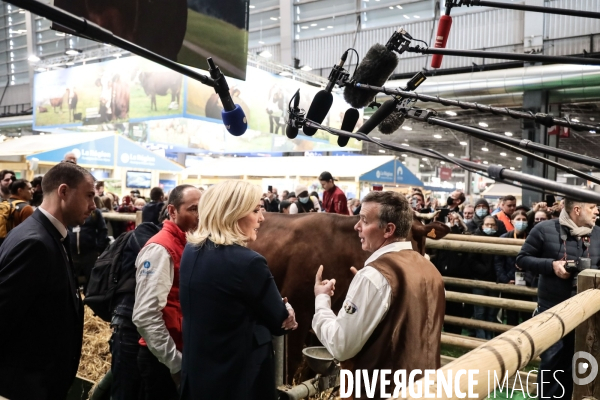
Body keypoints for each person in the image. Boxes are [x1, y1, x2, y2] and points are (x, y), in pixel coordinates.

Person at [312, 191, 444, 398]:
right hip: (425, 390)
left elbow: (341, 346)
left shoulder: (374, 276)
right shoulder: (429, 268)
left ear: (388, 229)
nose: (357, 226)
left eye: (364, 220)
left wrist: (322, 300)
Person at [179, 180, 297, 400]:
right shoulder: (249, 263)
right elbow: (279, 320)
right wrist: (286, 309)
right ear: (232, 214)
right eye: (255, 210)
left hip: (198, 376)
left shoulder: (191, 249)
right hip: (238, 381)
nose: (262, 218)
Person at [0, 162, 95, 399]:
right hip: (26, 386)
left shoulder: (48, 234)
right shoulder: (35, 242)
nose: (93, 205)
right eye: (89, 196)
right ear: (63, 192)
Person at [516, 198, 600, 400]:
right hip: (553, 309)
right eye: (593, 207)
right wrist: (552, 265)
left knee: (583, 360)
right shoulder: (544, 229)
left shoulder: (598, 234)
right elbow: (522, 259)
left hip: (587, 310)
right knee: (552, 361)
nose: (597, 211)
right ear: (578, 210)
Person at [132, 185, 202, 400]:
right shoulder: (161, 249)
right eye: (193, 209)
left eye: (203, 209)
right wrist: (176, 364)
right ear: (172, 211)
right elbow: (145, 315)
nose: (200, 216)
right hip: (163, 359)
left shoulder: (189, 243)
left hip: (180, 353)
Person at [494, 210, 534, 327]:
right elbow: (498, 262)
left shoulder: (532, 237)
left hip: (527, 282)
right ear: (512, 221)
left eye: (524, 220)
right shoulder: (504, 238)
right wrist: (505, 279)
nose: (521, 222)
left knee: (527, 315)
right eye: (518, 219)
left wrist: (529, 276)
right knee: (511, 314)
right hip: (510, 282)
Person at [468, 215, 502, 340]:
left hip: (495, 280)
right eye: (487, 224)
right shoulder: (476, 239)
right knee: (480, 311)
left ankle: (489, 338)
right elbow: (471, 260)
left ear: (497, 227)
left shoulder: (500, 239)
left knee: (492, 311)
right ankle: (481, 340)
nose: (490, 227)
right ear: (482, 226)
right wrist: (484, 271)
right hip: (479, 279)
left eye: (492, 225)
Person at [67, 199, 109, 289]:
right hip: (72, 253)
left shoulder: (94, 213)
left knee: (91, 281)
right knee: (71, 281)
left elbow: (103, 230)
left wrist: (99, 248)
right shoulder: (69, 210)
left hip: (90, 253)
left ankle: (89, 301)